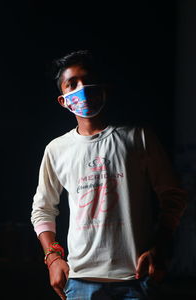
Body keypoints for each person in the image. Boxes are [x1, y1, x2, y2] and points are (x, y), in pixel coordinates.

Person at [31, 49, 187, 300]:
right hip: (80, 279)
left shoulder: (138, 137)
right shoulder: (57, 149)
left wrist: (160, 246)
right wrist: (53, 258)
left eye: (87, 80)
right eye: (72, 84)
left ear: (104, 88)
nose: (82, 88)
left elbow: (173, 196)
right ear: (63, 99)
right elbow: (43, 209)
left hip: (137, 278)